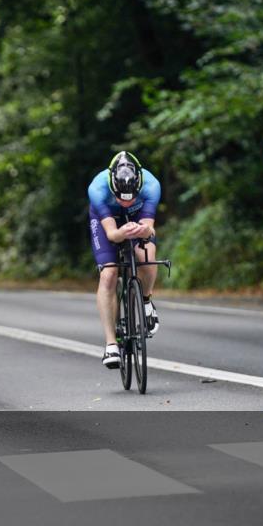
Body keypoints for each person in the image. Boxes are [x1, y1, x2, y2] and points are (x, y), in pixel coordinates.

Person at [88, 151, 161, 369]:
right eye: (120, 198)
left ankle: (146, 301)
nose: (126, 203)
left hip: (138, 218)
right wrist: (122, 232)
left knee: (147, 256)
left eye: (131, 198)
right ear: (112, 186)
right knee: (109, 274)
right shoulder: (97, 188)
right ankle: (111, 344)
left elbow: (149, 229)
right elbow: (112, 235)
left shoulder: (152, 186)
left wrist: (144, 230)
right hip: (107, 220)